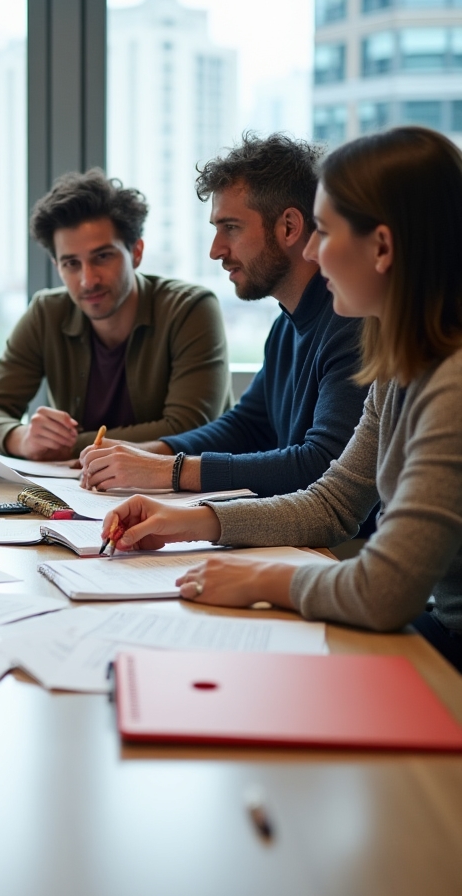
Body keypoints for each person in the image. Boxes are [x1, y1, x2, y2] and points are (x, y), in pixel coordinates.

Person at [99, 127, 462, 671]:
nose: (313, 251)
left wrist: (263, 578)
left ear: (382, 247)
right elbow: (335, 501)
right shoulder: (399, 362)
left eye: (327, 232)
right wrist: (191, 519)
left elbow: (386, 590)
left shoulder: (451, 381)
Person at [80, 134, 369, 500]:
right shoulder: (287, 326)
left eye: (230, 228)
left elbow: (322, 464)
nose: (216, 250)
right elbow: (247, 426)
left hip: (344, 548)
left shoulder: (352, 324)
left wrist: (169, 471)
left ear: (290, 228)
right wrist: (145, 454)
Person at [0, 169, 231, 460]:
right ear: (57, 266)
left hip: (179, 495)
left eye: (102, 257)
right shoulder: (47, 313)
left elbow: (188, 428)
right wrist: (22, 438)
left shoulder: (190, 308)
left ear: (136, 252)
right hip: (79, 492)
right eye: (71, 264)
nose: (87, 280)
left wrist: (66, 446)